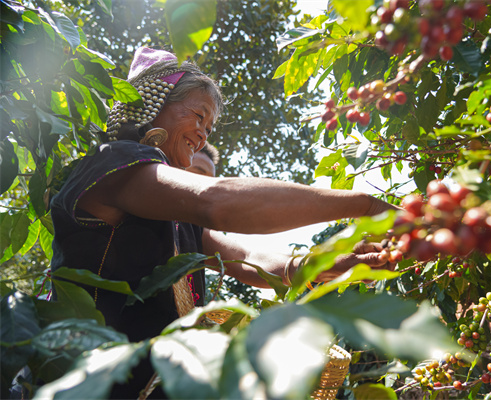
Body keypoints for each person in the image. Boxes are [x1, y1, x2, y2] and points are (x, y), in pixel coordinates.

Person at [49, 47, 396, 398]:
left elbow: (247, 258)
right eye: (198, 116)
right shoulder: (113, 162)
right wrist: (366, 206)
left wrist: (325, 264)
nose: (203, 134)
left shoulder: (175, 218)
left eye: (209, 128)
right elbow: (217, 201)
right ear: (153, 102)